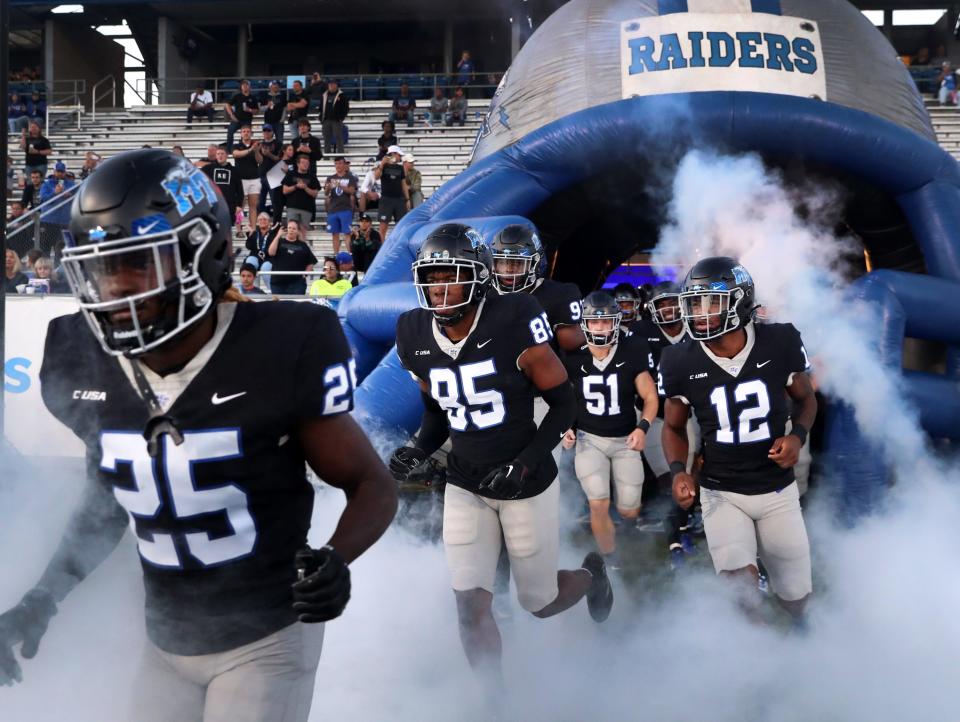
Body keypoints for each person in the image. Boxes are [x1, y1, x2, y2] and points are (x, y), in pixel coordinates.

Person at [0, 149, 396, 720]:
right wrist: (43, 598)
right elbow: (108, 502)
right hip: (167, 640)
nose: (115, 293)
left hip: (267, 634)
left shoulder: (282, 344)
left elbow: (370, 483)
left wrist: (336, 558)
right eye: (102, 270)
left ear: (202, 250)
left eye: (138, 265)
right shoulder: (76, 356)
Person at [390, 224, 613, 684]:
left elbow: (564, 402)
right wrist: (417, 448)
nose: (438, 288)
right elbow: (437, 414)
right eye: (431, 278)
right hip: (465, 480)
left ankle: (592, 576)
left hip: (526, 479)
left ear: (478, 277)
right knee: (470, 604)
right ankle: (495, 703)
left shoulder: (513, 318)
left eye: (450, 276)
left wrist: (525, 462)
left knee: (540, 603)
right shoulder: (412, 329)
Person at [660, 257, 817, 623]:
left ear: (740, 301)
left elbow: (806, 399)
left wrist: (797, 436)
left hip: (777, 490)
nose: (700, 314)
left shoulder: (779, 341)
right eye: (694, 303)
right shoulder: (678, 360)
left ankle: (798, 624)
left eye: (711, 303)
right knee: (739, 590)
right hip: (721, 490)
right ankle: (761, 660)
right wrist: (677, 471)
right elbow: (672, 427)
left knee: (795, 597)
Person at [561, 291, 658, 567]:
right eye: (595, 322)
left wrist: (643, 428)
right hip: (589, 439)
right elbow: (565, 401)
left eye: (606, 322)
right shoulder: (573, 358)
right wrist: (566, 427)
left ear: (616, 322)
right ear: (585, 324)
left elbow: (650, 397)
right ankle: (610, 559)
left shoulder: (634, 349)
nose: (601, 328)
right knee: (598, 502)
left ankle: (626, 529)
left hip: (625, 438)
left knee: (630, 508)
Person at [634, 281, 699, 569]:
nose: (669, 309)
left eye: (673, 302)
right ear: (652, 310)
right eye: (662, 305)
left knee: (689, 472)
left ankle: (683, 526)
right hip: (656, 415)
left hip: (691, 414)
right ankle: (676, 540)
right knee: (667, 477)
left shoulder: (699, 331)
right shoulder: (641, 334)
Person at [489, 224, 585, 353]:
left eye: (517, 262)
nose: (508, 269)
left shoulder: (558, 296)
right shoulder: (484, 295)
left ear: (535, 263)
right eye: (502, 262)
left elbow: (574, 347)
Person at [267, 218, 317, 295]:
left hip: (296, 283)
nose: (291, 230)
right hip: (278, 282)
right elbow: (271, 252)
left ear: (297, 231)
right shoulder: (279, 241)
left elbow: (312, 261)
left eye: (294, 228)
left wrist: (305, 274)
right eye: (289, 228)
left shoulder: (303, 245)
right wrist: (278, 236)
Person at [201, 147, 244, 235]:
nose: (220, 156)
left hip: (230, 203)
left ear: (227, 155)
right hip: (214, 202)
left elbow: (239, 188)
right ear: (216, 156)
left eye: (222, 154)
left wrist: (239, 205)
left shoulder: (234, 170)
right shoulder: (209, 168)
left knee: (227, 226)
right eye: (218, 154)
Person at [374, 146, 410, 240]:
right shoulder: (383, 165)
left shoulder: (400, 167)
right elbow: (376, 177)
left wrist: (407, 199)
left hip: (399, 200)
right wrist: (382, 164)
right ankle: (381, 250)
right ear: (393, 154)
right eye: (399, 155)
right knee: (383, 226)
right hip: (386, 199)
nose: (400, 157)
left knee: (401, 225)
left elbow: (403, 183)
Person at [324, 156, 359, 255]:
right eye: (336, 163)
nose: (338, 165)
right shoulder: (330, 178)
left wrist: (340, 185)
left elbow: (352, 191)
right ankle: (336, 255)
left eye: (340, 163)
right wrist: (328, 187)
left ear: (344, 164)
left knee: (347, 233)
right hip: (333, 209)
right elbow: (326, 193)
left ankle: (350, 255)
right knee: (334, 234)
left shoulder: (350, 177)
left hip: (345, 209)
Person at [232, 125, 261, 225]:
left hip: (254, 178)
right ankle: (239, 229)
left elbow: (260, 161)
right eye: (244, 131)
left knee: (253, 206)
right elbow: (236, 154)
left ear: (251, 133)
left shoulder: (255, 146)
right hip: (241, 179)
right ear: (241, 134)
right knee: (240, 206)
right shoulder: (237, 145)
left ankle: (252, 229)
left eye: (248, 131)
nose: (246, 133)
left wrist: (256, 150)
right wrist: (250, 150)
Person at [282, 154, 321, 229]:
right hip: (292, 208)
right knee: (291, 230)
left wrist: (305, 188)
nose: (305, 165)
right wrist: (296, 186)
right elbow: (285, 191)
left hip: (307, 209)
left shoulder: (312, 176)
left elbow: (315, 194)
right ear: (298, 164)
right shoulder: (290, 174)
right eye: (303, 163)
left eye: (307, 163)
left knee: (303, 233)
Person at [224, 79, 260, 151]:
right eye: (243, 85)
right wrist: (231, 115)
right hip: (236, 119)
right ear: (241, 87)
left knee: (245, 136)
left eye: (247, 85)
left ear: (249, 87)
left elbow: (257, 111)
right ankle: (228, 150)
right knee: (230, 132)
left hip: (247, 120)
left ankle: (243, 149)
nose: (245, 86)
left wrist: (249, 110)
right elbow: (227, 104)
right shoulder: (237, 96)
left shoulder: (253, 98)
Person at [319, 80, 349, 154]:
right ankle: (327, 156)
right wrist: (321, 117)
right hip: (326, 120)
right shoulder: (324, 95)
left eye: (333, 84)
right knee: (326, 138)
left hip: (336, 120)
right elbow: (321, 107)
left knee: (338, 138)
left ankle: (340, 156)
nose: (331, 86)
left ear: (336, 85)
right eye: (330, 84)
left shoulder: (341, 95)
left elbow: (346, 108)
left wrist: (341, 118)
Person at [262, 81, 287, 145]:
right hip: (268, 122)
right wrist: (267, 106)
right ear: (270, 87)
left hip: (279, 122)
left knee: (279, 140)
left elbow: (285, 108)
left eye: (277, 85)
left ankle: (279, 154)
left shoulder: (282, 96)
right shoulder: (265, 96)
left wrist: (282, 119)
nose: (276, 87)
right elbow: (261, 109)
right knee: (267, 140)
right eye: (274, 85)